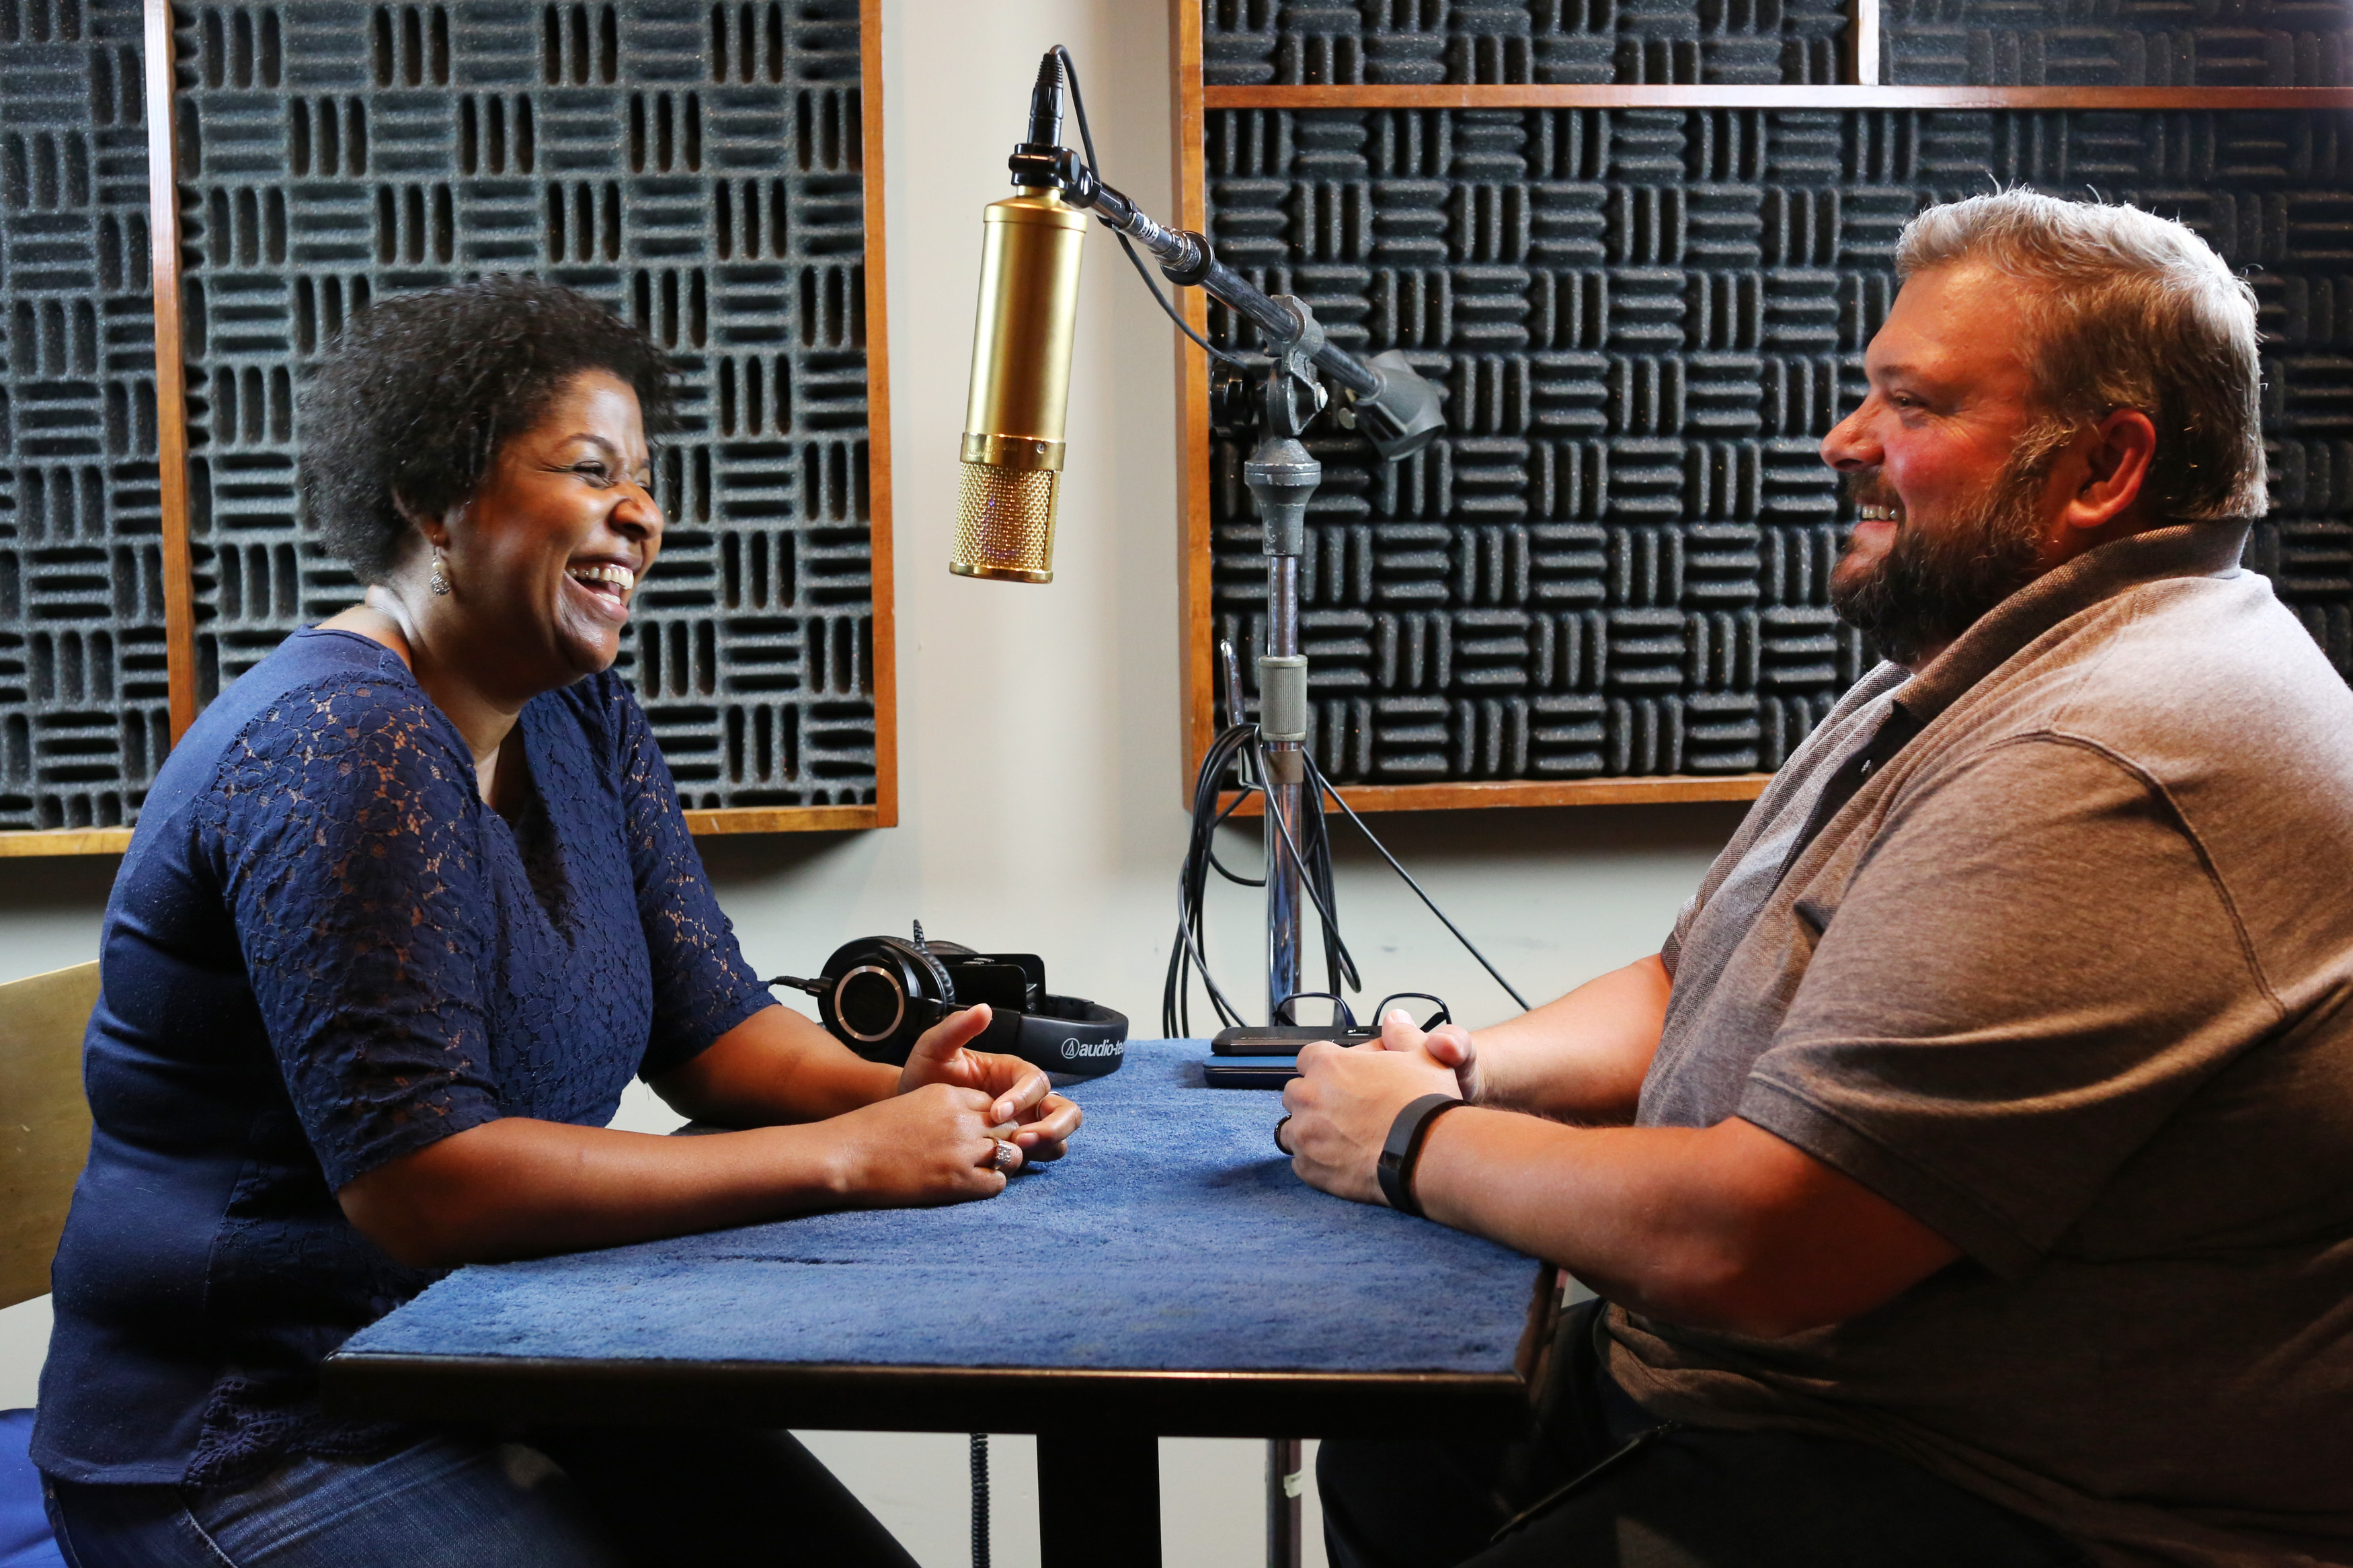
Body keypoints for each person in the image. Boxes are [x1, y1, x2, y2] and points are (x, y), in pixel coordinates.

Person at [1282, 190, 2353, 1568]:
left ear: (2100, 468)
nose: (1840, 441)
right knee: (1396, 1442)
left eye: (1909, 405)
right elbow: (1694, 981)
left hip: (1998, 1496)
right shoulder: (1974, 667)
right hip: (1798, 1414)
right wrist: (1469, 1067)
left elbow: (1761, 1248)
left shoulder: (2112, 753)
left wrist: (1407, 1143)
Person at [33, 276, 1080, 1568]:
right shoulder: (340, 744)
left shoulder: (580, 721)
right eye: (592, 470)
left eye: (644, 477)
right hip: (260, 1434)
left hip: (494, 1364)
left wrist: (895, 1087)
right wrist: (854, 1153)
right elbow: (428, 1185)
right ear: (435, 501)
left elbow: (716, 1031)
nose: (642, 515)